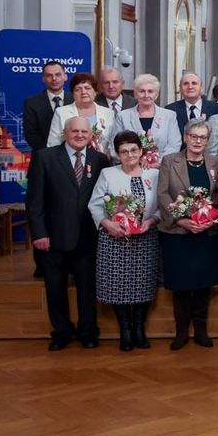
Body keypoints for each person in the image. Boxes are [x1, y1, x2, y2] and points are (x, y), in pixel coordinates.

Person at [26, 116, 109, 350]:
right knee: (55, 288)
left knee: (87, 289)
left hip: (88, 238)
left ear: (91, 135)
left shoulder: (100, 160)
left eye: (84, 132)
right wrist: (39, 234)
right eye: (75, 131)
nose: (80, 135)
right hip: (53, 237)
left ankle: (87, 332)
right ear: (65, 133)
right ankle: (61, 332)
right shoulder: (44, 157)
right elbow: (34, 200)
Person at [89, 130, 160, 351]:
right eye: (124, 151)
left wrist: (152, 221)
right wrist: (107, 224)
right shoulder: (108, 174)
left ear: (141, 151)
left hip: (145, 238)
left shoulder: (154, 174)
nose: (130, 155)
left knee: (143, 284)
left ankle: (139, 329)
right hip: (115, 238)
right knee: (117, 285)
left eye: (134, 150)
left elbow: (162, 206)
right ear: (117, 154)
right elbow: (95, 204)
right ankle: (125, 331)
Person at [156, 119, 218, 350]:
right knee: (181, 285)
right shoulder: (170, 161)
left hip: (206, 233)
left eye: (202, 137)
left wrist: (211, 220)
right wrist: (181, 220)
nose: (197, 141)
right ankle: (181, 333)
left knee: (203, 284)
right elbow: (163, 194)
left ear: (208, 140)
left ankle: (201, 331)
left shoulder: (215, 162)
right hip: (178, 233)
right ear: (185, 137)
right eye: (193, 136)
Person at [111, 73, 181, 167]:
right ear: (135, 94)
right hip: (130, 168)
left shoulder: (169, 116)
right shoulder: (122, 116)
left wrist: (156, 162)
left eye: (150, 91)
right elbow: (114, 146)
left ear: (156, 95)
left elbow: (174, 145)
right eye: (142, 91)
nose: (146, 95)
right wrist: (136, 161)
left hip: (161, 169)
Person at [46, 72, 114, 153]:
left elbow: (113, 143)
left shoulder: (109, 113)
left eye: (87, 88)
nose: (83, 92)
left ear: (95, 92)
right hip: (69, 158)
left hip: (101, 158)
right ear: (73, 94)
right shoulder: (61, 113)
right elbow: (53, 143)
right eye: (78, 89)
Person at [23, 60, 71, 151]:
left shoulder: (75, 100)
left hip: (72, 155)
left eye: (58, 75)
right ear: (43, 79)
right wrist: (50, 154)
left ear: (65, 77)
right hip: (43, 155)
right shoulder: (31, 103)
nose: (54, 79)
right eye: (49, 75)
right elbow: (31, 134)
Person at [166, 72, 218, 136]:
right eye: (186, 84)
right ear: (180, 88)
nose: (190, 87)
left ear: (201, 88)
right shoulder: (170, 110)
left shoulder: (217, 109)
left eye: (194, 83)